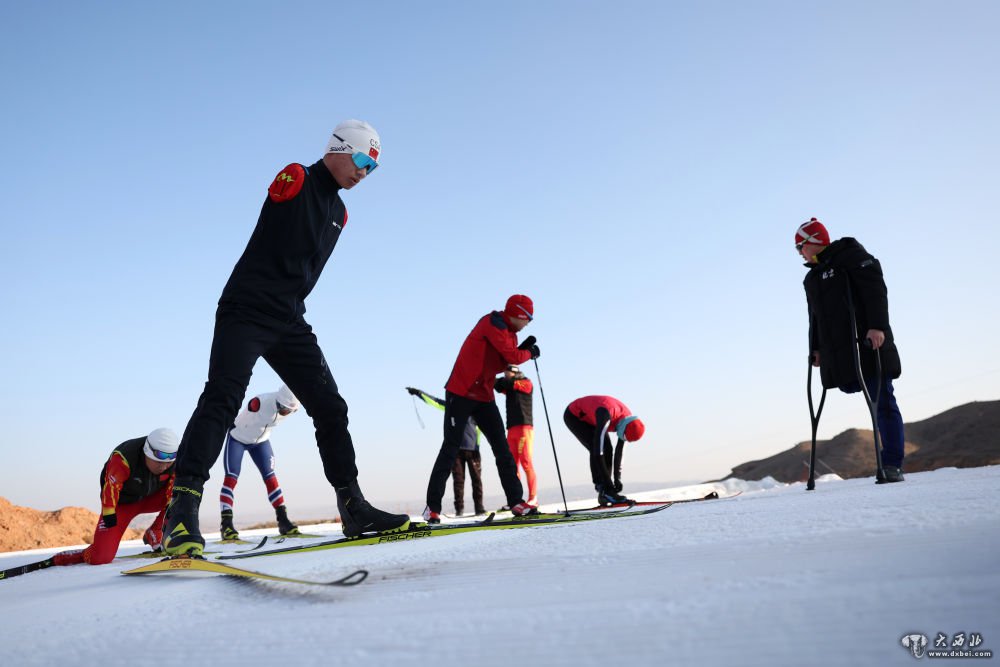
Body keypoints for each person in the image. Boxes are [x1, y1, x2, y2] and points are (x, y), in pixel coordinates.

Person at [163, 120, 409, 557]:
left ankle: (352, 505)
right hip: (245, 308)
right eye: (359, 160)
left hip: (289, 319)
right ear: (336, 149)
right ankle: (181, 513)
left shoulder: (340, 212)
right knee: (223, 398)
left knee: (331, 407)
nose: (363, 173)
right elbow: (279, 200)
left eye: (372, 168)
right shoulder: (296, 178)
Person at [795, 217, 905, 483]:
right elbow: (815, 317)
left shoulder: (852, 257)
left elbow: (875, 291)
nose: (799, 253)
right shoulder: (813, 277)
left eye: (800, 247)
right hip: (840, 352)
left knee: (882, 401)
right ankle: (887, 462)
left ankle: (891, 464)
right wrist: (816, 348)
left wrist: (877, 326)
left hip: (868, 342)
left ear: (812, 243)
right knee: (858, 392)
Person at [422, 294, 540, 524]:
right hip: (461, 392)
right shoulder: (492, 322)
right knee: (450, 448)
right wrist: (530, 353)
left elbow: (499, 362)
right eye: (528, 317)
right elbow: (511, 355)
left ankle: (516, 501)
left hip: (484, 396)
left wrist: (521, 351)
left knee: (502, 449)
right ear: (517, 314)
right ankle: (432, 508)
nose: (529, 323)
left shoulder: (511, 335)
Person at [53, 429, 179, 566]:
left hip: (151, 500)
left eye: (169, 462)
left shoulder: (174, 461)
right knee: (100, 558)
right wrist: (109, 513)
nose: (164, 466)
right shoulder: (124, 457)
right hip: (122, 504)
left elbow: (176, 491)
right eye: (159, 461)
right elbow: (111, 488)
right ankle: (80, 554)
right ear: (147, 451)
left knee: (181, 490)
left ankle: (155, 531)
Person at [219, 384, 303, 541]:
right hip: (238, 438)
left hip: (261, 442)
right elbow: (248, 405)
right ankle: (226, 525)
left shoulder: (289, 406)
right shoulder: (259, 402)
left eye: (290, 411)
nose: (286, 413)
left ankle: (283, 521)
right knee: (231, 478)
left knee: (271, 478)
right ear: (278, 402)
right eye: (284, 409)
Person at [407, 387, 487, 516]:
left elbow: (482, 428)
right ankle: (459, 510)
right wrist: (418, 393)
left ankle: (479, 508)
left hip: (473, 450)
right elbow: (435, 402)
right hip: (456, 450)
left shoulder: (476, 410)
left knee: (476, 480)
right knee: (458, 481)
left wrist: (477, 446)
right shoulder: (452, 407)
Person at [563, 396, 646, 506]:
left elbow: (619, 451)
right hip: (575, 415)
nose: (624, 440)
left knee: (608, 448)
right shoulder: (606, 415)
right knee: (597, 446)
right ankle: (605, 490)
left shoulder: (628, 421)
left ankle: (606, 493)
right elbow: (598, 452)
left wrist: (617, 478)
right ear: (624, 429)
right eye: (625, 437)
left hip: (593, 416)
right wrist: (609, 484)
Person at [494, 364, 537, 507]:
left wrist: (502, 379)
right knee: (512, 465)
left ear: (514, 372)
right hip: (511, 429)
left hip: (524, 427)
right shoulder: (508, 385)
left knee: (526, 462)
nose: (505, 375)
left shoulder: (525, 382)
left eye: (507, 372)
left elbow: (508, 383)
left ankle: (533, 497)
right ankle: (516, 500)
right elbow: (498, 385)